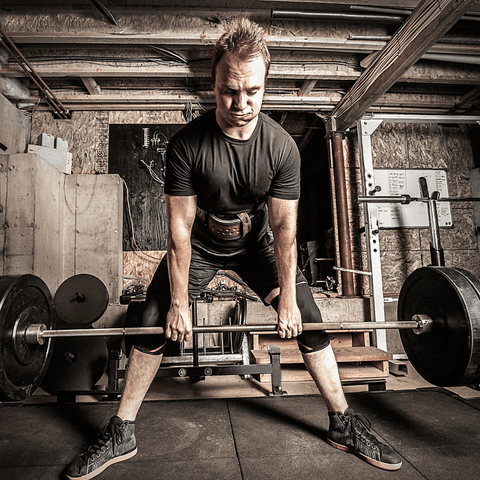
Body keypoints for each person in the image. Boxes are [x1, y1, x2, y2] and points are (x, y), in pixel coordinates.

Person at [66, 17, 402, 479]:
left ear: (266, 86)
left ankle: (343, 421)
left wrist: (287, 294)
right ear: (214, 83)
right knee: (150, 321)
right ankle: (122, 429)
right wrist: (179, 303)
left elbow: (284, 227)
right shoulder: (187, 145)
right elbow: (180, 230)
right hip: (202, 243)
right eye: (229, 91)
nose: (241, 104)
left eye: (253, 92)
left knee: (308, 317)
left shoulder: (282, 148)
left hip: (257, 243)